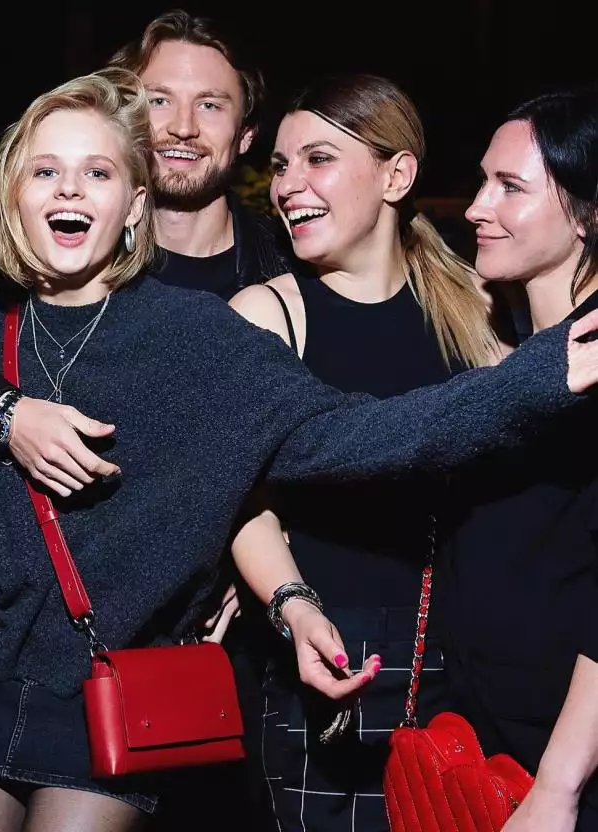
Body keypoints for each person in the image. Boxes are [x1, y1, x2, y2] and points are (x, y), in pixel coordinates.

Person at [0, 67, 598, 832]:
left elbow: (353, 435)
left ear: (136, 205)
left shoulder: (199, 338)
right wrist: (1, 413)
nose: (70, 191)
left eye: (98, 172)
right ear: (11, 191)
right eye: (46, 171)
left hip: (110, 694)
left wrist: (537, 376)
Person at [226, 72, 504, 832]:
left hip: (465, 659)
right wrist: (293, 606)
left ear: (396, 175)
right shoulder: (266, 314)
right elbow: (242, 498)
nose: (288, 185)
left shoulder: (472, 306)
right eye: (281, 165)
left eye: (318, 159)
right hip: (325, 653)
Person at [0, 8, 296, 478]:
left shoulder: (287, 268)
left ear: (245, 134)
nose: (183, 126)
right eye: (159, 100)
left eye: (210, 105)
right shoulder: (51, 253)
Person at [437, 85, 598, 832]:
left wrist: (558, 787)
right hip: (486, 742)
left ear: (587, 213)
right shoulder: (506, 354)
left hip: (566, 770)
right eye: (482, 181)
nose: (476, 207)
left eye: (510, 187)